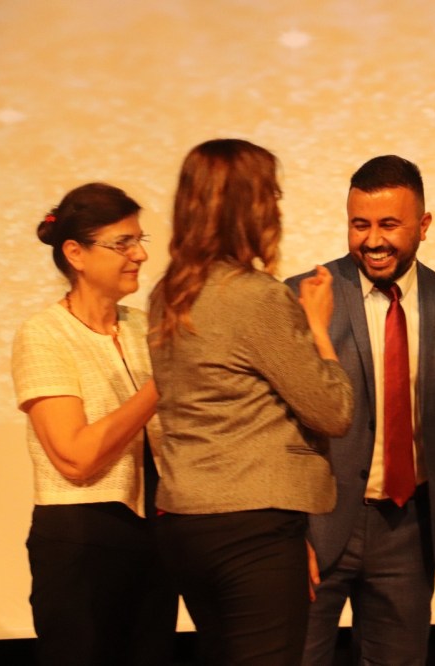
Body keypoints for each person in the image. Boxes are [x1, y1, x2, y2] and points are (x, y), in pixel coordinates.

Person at [285, 154, 435, 665]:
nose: (373, 240)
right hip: (314, 528)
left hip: (408, 530)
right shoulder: (304, 297)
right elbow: (270, 428)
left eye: (388, 225)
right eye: (359, 225)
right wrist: (283, 532)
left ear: (424, 225)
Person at [148, 138, 354, 666]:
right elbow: (333, 410)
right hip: (252, 529)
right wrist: (318, 326)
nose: (277, 210)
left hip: (186, 522)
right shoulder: (256, 296)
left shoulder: (167, 296)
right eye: (272, 196)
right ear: (248, 207)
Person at [10, 182, 177, 665]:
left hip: (155, 533)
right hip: (81, 538)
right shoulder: (44, 334)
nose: (140, 255)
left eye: (140, 240)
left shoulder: (144, 326)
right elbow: (76, 458)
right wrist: (162, 382)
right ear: (75, 253)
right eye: (122, 243)